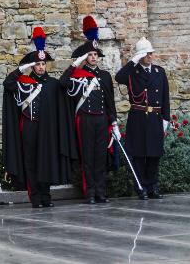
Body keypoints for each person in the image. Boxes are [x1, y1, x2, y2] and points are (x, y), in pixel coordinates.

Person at [2, 27, 77, 208]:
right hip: (29, 127)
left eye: (43, 64)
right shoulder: (24, 82)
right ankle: (35, 198)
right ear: (32, 66)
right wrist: (22, 69)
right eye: (37, 64)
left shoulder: (52, 84)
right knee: (32, 163)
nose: (41, 67)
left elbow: (66, 88)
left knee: (46, 162)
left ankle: (46, 196)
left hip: (48, 130)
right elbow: (8, 83)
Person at [60, 15, 119, 204]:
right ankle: (90, 192)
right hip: (85, 119)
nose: (93, 58)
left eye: (95, 55)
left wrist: (114, 121)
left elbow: (110, 101)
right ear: (86, 58)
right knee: (88, 157)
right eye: (90, 55)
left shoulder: (105, 76)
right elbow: (63, 83)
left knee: (101, 156)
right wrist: (75, 63)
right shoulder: (77, 75)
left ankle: (101, 191)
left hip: (101, 119)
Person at [115, 37, 170, 200]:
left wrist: (165, 119)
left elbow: (165, 97)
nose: (150, 56)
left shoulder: (159, 72)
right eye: (146, 54)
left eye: (151, 53)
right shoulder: (132, 72)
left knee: (154, 155)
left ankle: (153, 187)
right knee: (138, 156)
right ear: (140, 55)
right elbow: (119, 77)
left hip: (155, 118)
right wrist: (134, 60)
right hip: (138, 118)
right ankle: (141, 189)